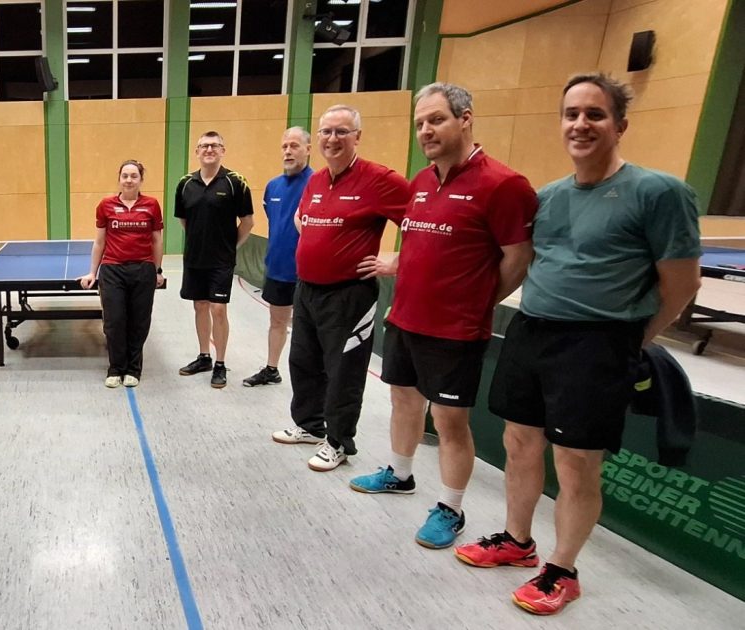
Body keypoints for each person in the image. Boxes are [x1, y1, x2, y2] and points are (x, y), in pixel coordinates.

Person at [454, 73, 701, 615]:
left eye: (595, 114)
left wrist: (634, 338)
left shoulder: (658, 193)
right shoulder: (547, 197)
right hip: (532, 331)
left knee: (575, 463)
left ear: (620, 125)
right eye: (571, 114)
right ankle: (517, 542)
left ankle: (562, 570)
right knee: (519, 442)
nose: (580, 124)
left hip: (599, 344)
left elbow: (683, 283)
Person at [348, 84, 537, 550]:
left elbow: (518, 257)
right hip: (406, 319)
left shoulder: (504, 184)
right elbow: (421, 242)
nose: (426, 131)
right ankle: (400, 474)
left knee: (450, 422)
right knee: (403, 402)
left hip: (456, 330)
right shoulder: (421, 181)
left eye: (436, 120)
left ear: (465, 118)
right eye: (420, 124)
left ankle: (451, 508)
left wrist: (476, 302)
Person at [274, 105, 409, 472]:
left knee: (344, 370)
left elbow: (420, 223)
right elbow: (304, 220)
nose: (332, 139)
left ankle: (338, 442)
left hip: (350, 295)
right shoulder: (316, 180)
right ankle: (309, 425)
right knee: (303, 361)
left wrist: (396, 262)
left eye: (341, 131)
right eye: (326, 131)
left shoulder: (380, 179)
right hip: (307, 290)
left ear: (357, 137)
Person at [173, 131, 254, 388]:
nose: (209, 150)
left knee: (218, 309)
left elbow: (248, 222)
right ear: (197, 151)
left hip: (221, 260)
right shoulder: (185, 183)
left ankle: (220, 363)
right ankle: (204, 357)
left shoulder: (235, 182)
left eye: (214, 145)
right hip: (194, 258)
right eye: (204, 146)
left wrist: (230, 247)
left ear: (222, 151)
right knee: (200, 306)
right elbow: (184, 220)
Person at [78, 160, 166, 387]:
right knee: (114, 321)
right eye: (125, 175)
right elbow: (99, 241)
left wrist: (157, 270)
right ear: (119, 178)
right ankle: (115, 368)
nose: (129, 180)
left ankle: (134, 369)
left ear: (141, 179)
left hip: (143, 270)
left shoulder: (152, 205)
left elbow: (156, 240)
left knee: (139, 322)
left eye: (134, 176)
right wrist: (92, 272)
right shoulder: (106, 205)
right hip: (112, 270)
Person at [243, 127, 314, 387]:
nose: (288, 151)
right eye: (285, 146)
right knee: (277, 321)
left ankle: (311, 380)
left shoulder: (317, 183)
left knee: (309, 330)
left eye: (294, 146)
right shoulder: (272, 186)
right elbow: (276, 222)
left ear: (308, 149)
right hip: (278, 268)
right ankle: (272, 369)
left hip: (308, 272)